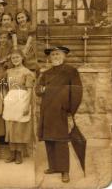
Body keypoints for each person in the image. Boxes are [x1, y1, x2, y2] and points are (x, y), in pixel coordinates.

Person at [35, 46, 83, 183]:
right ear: (49, 58)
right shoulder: (46, 73)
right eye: (52, 55)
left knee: (61, 141)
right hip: (47, 111)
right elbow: (37, 90)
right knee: (49, 140)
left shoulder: (71, 71)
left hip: (62, 111)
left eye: (57, 54)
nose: (55, 57)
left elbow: (77, 92)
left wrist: (69, 110)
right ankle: (53, 167)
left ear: (63, 56)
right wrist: (41, 89)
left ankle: (64, 171)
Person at [3, 50, 35, 164]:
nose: (15, 59)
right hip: (11, 98)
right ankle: (12, 153)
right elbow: (6, 87)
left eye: (17, 57)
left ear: (22, 58)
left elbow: (30, 90)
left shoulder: (27, 72)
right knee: (10, 127)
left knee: (20, 127)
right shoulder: (9, 71)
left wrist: (27, 105)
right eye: (13, 58)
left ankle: (19, 154)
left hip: (22, 98)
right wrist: (6, 99)